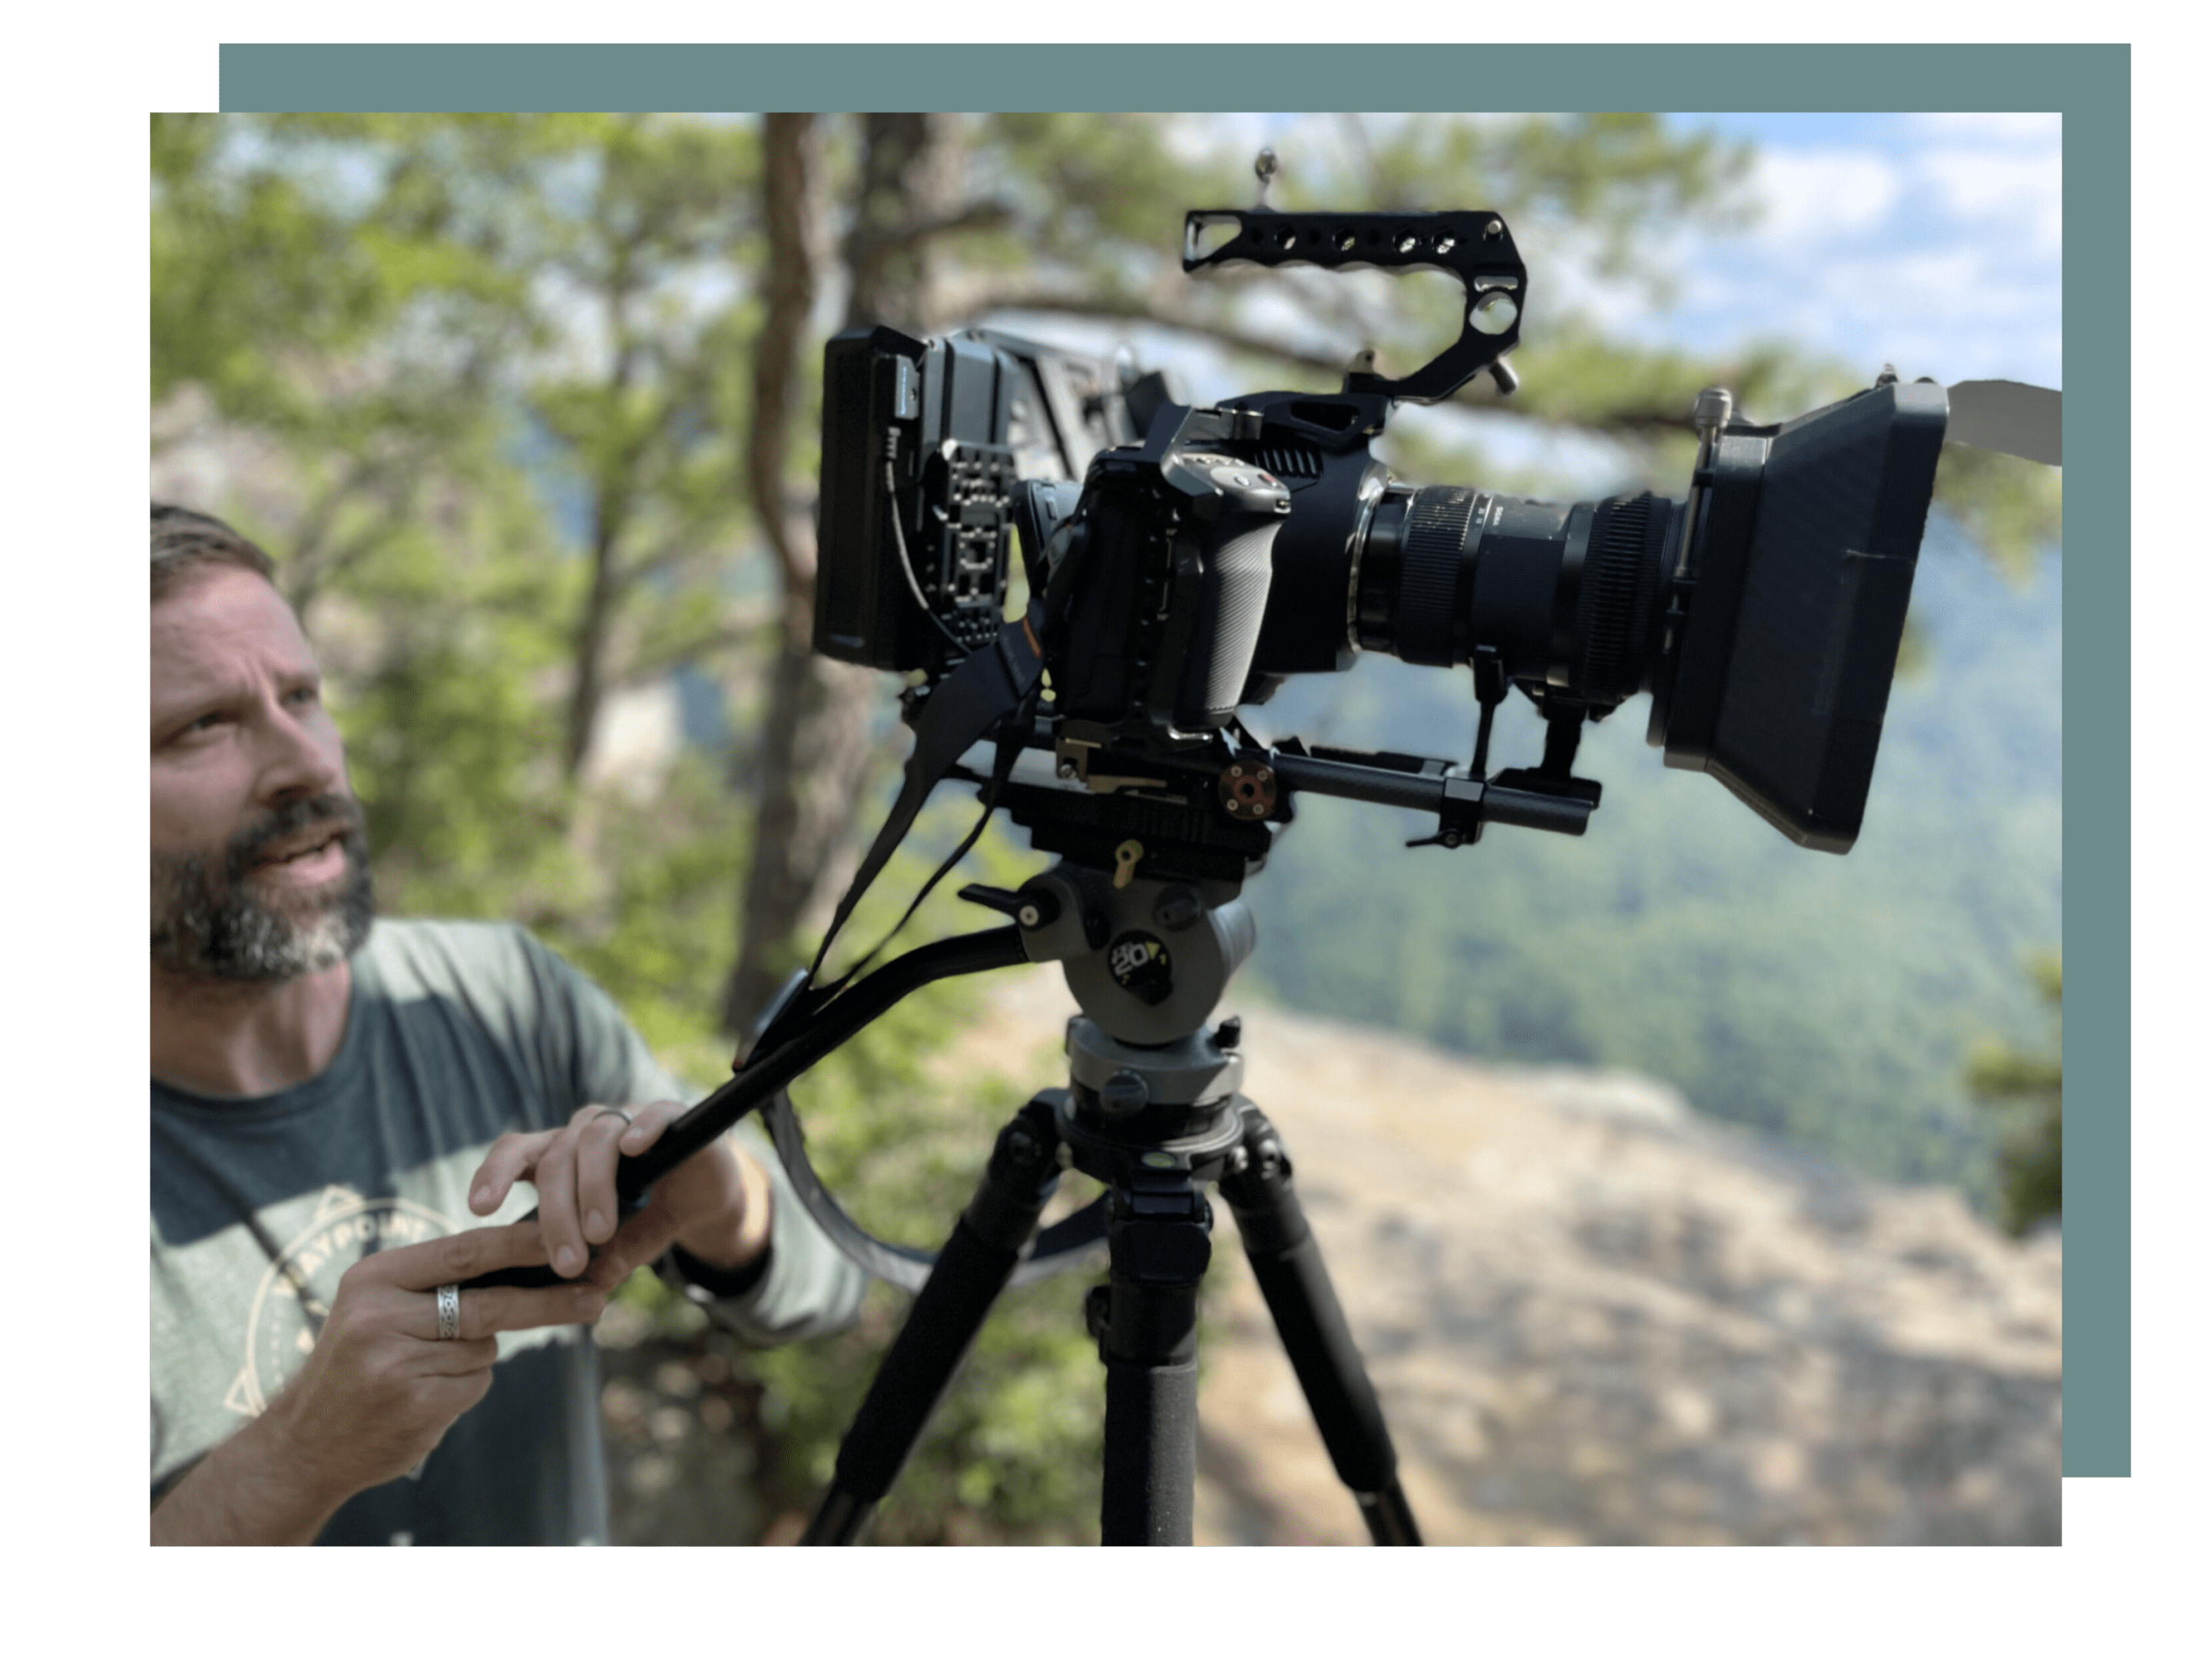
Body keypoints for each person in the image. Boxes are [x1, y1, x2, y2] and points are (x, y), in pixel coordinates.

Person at [148, 504, 864, 1545]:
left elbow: (820, 1292)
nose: (306, 761)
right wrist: (297, 1458)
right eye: (201, 726)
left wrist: (715, 1188)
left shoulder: (501, 996)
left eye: (303, 695)